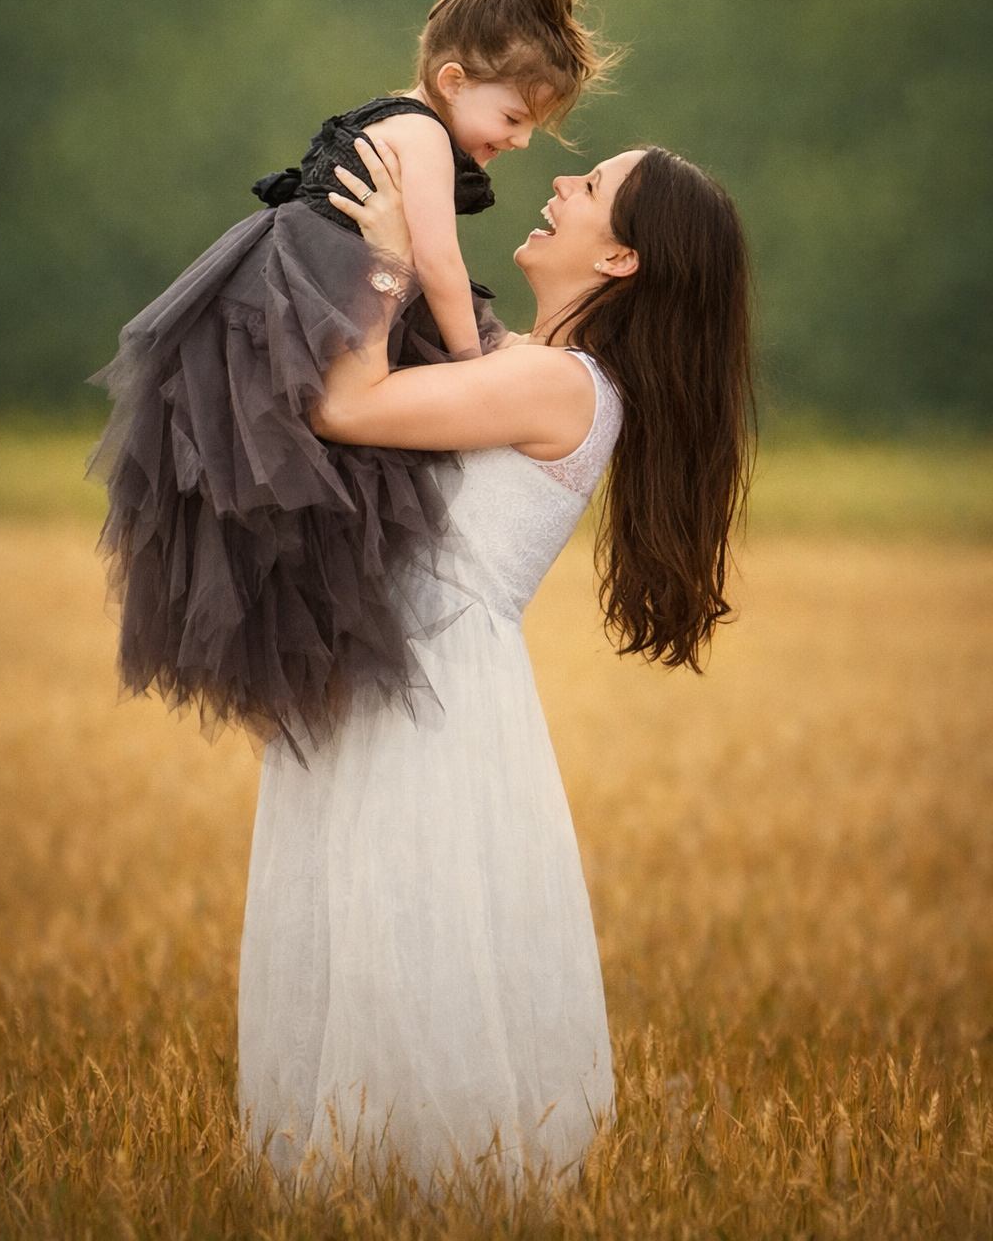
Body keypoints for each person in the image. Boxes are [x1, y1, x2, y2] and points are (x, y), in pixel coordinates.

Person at [238, 135, 755, 1186]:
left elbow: (347, 408)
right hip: (406, 667)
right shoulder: (521, 363)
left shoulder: (560, 384)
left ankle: (419, 1180)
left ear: (619, 260)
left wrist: (382, 259)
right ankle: (375, 1177)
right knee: (378, 920)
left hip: (429, 683)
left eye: (592, 185)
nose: (560, 186)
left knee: (405, 922)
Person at [86, 0, 614, 756]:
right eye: (514, 119)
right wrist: (472, 360)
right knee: (371, 449)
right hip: (325, 297)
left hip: (284, 298)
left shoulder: (390, 114)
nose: (519, 143)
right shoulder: (427, 137)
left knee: (324, 471)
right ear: (453, 83)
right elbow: (435, 260)